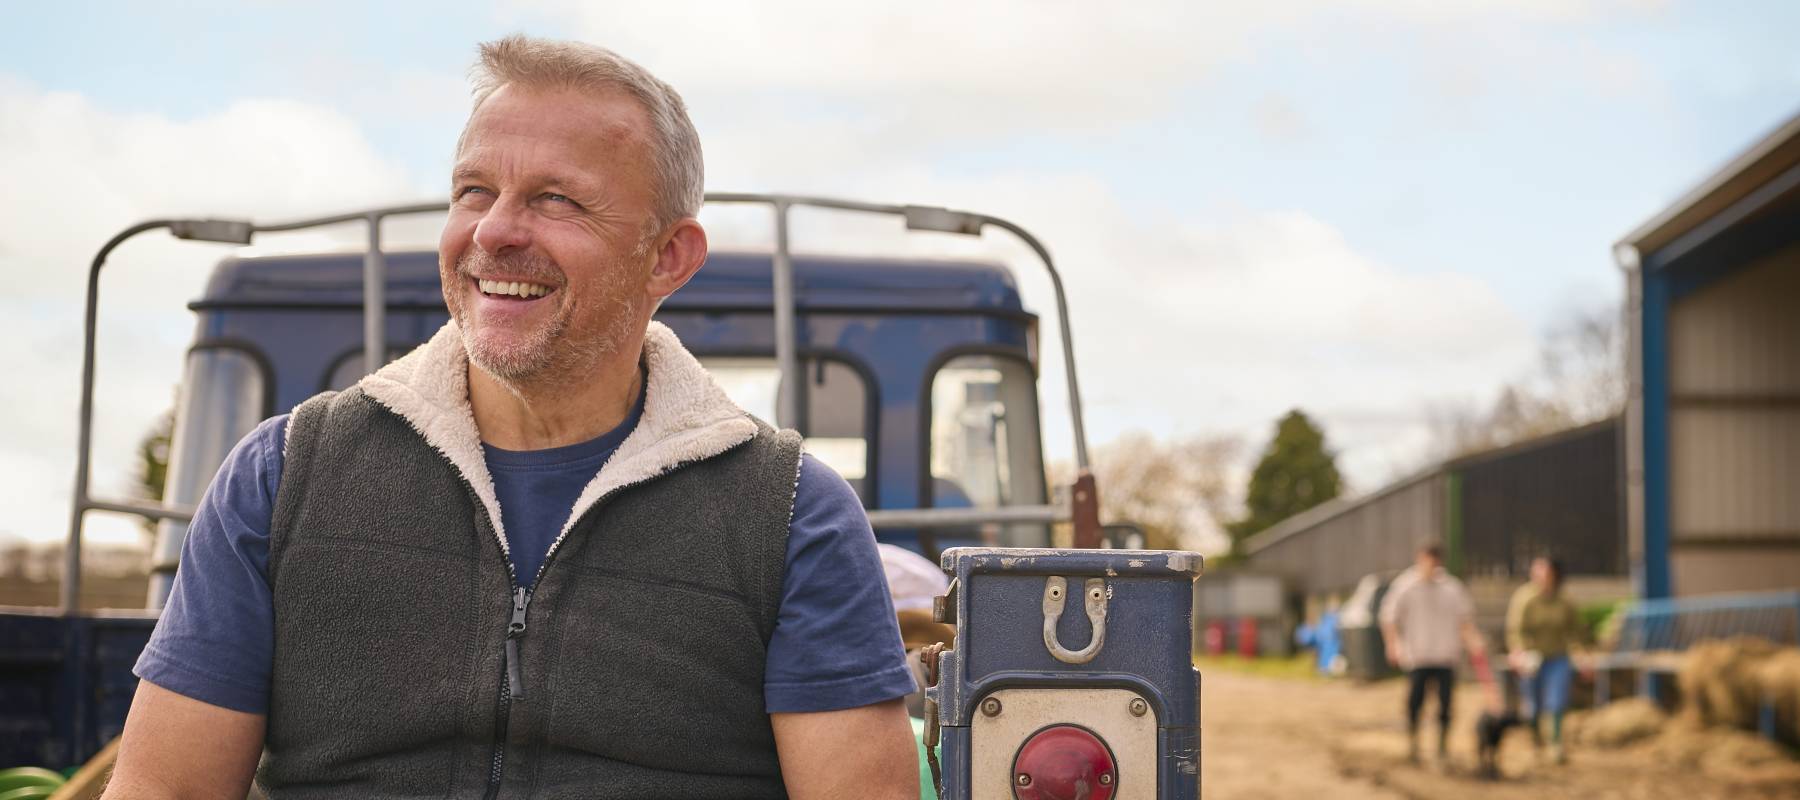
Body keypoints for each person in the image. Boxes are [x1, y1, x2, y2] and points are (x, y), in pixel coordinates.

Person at [102, 36, 919, 799]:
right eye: (474, 192)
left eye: (556, 200)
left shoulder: (789, 515)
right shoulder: (285, 477)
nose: (494, 232)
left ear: (668, 256)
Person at [1379, 541, 1485, 766]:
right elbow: (1389, 617)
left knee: (1446, 704)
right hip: (1417, 655)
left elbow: (1464, 620)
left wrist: (1474, 641)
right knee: (1415, 702)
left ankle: (1442, 747)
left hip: (1446, 655)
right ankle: (1414, 742)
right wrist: (1393, 644)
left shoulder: (1452, 588)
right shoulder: (1406, 585)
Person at [1506, 555, 1589, 765]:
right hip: (1532, 658)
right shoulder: (1525, 598)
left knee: (1557, 700)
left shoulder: (1565, 600)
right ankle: (1536, 742)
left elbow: (1576, 631)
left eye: (1545, 571)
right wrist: (1518, 652)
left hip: (1558, 656)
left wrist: (1580, 653)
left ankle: (1556, 744)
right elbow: (1515, 630)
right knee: (1533, 705)